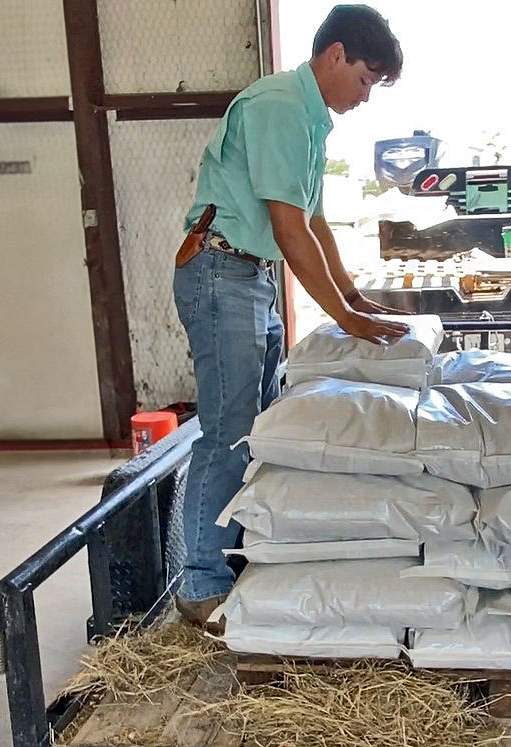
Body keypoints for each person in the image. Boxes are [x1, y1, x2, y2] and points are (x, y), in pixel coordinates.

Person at [172, 4, 409, 629]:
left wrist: (354, 299)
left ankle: (238, 554)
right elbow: (286, 226)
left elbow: (315, 223)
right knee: (227, 431)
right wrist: (347, 321)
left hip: (252, 276)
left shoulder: (311, 120)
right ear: (335, 54)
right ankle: (199, 583)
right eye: (364, 79)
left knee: (258, 428)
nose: (364, 96)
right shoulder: (278, 104)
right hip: (222, 273)